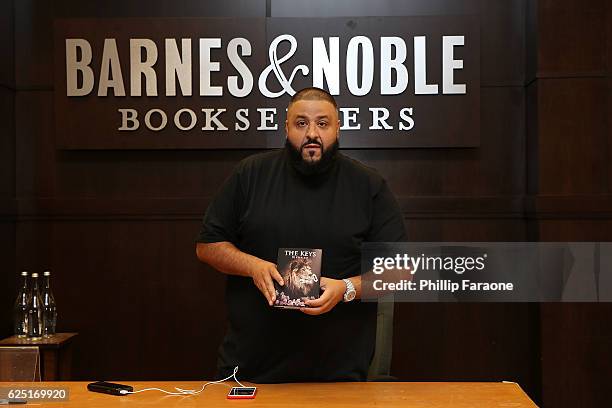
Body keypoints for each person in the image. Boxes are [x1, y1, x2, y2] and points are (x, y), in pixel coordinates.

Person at [195, 87, 406, 383]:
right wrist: (253, 266)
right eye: (301, 123)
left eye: (322, 123)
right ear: (286, 127)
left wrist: (346, 288)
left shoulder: (368, 185)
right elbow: (207, 245)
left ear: (338, 127)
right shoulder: (250, 174)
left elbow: (401, 271)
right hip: (252, 368)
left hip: (340, 372)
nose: (312, 134)